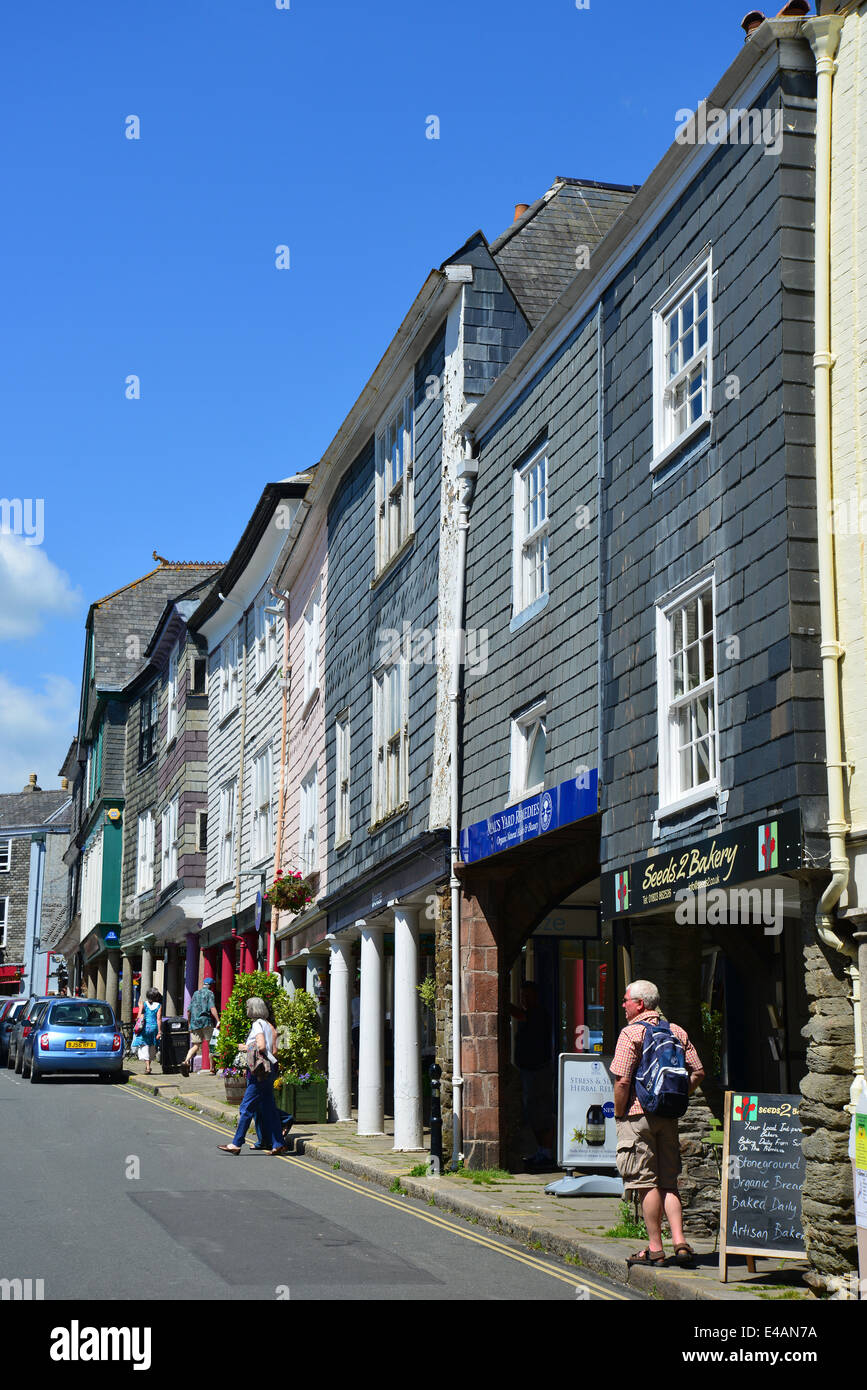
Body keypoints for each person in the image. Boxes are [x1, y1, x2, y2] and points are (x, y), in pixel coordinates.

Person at [610, 979, 704, 1268]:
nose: (623, 1004)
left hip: (639, 1116)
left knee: (645, 1183)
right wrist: (675, 1096)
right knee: (669, 1183)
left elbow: (623, 1080)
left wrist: (620, 1111)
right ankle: (680, 1242)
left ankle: (655, 1249)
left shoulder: (631, 1033)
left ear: (640, 1003)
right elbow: (698, 1072)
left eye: (626, 1000)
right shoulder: (676, 1030)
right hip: (669, 1116)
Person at [218, 997, 286, 1156]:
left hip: (259, 1072)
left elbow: (261, 1046)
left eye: (248, 1006)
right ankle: (278, 1144)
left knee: (246, 1107)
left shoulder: (257, 1024)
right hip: (269, 1069)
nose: (246, 1009)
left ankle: (236, 1143)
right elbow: (272, 1049)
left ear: (253, 1009)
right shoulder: (268, 1025)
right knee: (270, 1109)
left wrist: (245, 1047)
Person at [508, 981, 555, 1170]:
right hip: (528, 1070)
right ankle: (541, 1151)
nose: (524, 999)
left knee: (541, 1111)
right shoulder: (530, 1014)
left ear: (536, 996)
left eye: (528, 995)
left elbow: (521, 1015)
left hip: (539, 1070)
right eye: (522, 996)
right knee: (532, 1112)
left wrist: (505, 1005)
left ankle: (547, 1152)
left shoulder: (539, 1014)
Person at [251, 1002, 294, 1151]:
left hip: (266, 1066)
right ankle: (264, 1139)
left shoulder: (266, 1027)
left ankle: (284, 1119)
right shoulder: (266, 1025)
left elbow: (275, 1051)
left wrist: (254, 1052)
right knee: (260, 1104)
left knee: (261, 1104)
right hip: (265, 1065)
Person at [182, 976, 219, 1077]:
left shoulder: (195, 993)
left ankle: (185, 1061)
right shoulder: (210, 993)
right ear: (211, 986)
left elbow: (188, 1010)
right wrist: (218, 1020)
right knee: (212, 1045)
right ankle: (212, 1068)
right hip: (206, 1022)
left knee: (195, 1046)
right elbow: (212, 1007)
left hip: (195, 1023)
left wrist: (189, 1023)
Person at [135, 988, 163, 1076]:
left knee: (145, 1046)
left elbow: (139, 1017)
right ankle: (149, 1066)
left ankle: (147, 1067)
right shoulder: (159, 1005)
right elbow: (159, 1019)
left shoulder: (144, 1004)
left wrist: (140, 1007)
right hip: (154, 1027)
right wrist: (159, 1031)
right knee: (152, 1047)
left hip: (145, 1027)